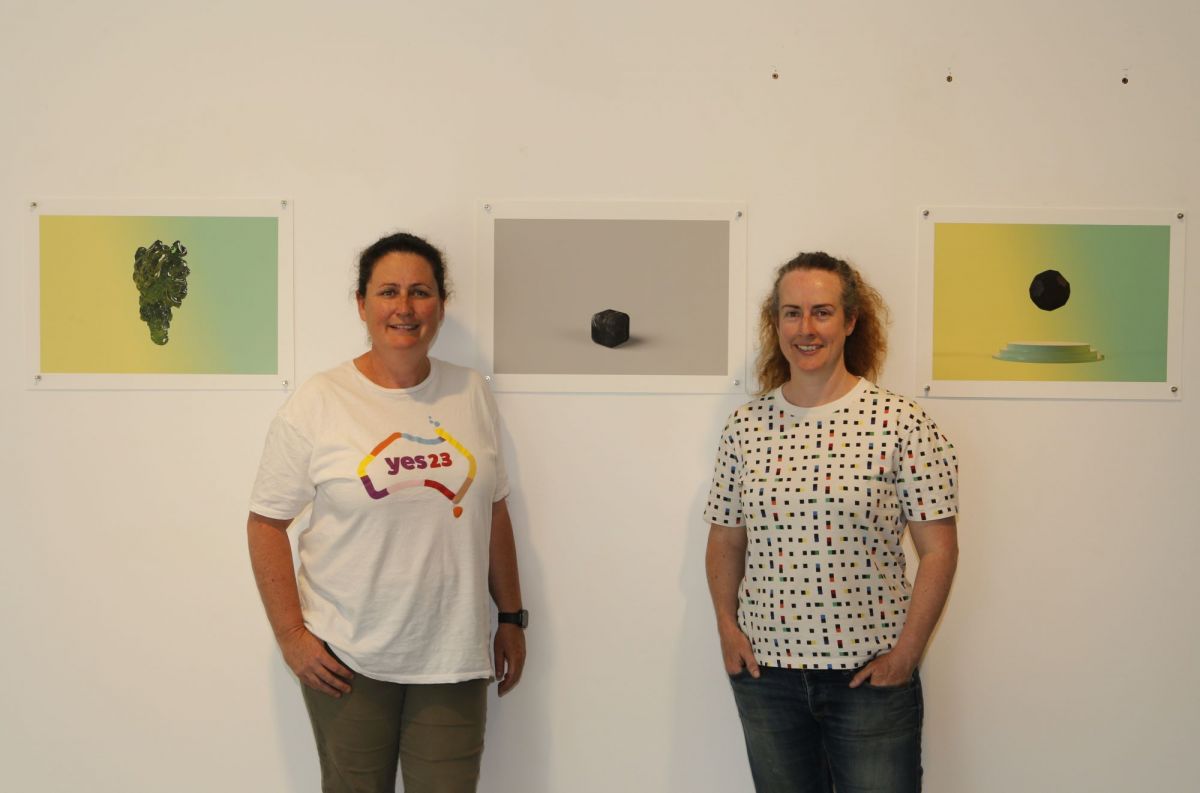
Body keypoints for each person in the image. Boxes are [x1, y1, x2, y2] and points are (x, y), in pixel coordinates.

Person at [247, 232, 527, 793]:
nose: (404, 307)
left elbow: (493, 512)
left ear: (441, 306)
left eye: (420, 292)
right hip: (347, 659)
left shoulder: (470, 392)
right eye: (388, 292)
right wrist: (292, 637)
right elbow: (266, 522)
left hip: (451, 656)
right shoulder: (319, 401)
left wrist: (512, 618)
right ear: (362, 304)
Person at [704, 252, 958, 793]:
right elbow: (726, 538)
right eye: (792, 313)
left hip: (870, 678)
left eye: (822, 312)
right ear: (776, 324)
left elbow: (939, 549)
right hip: (766, 678)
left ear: (850, 321)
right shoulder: (745, 426)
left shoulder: (902, 422)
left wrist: (907, 654)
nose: (806, 328)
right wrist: (728, 629)